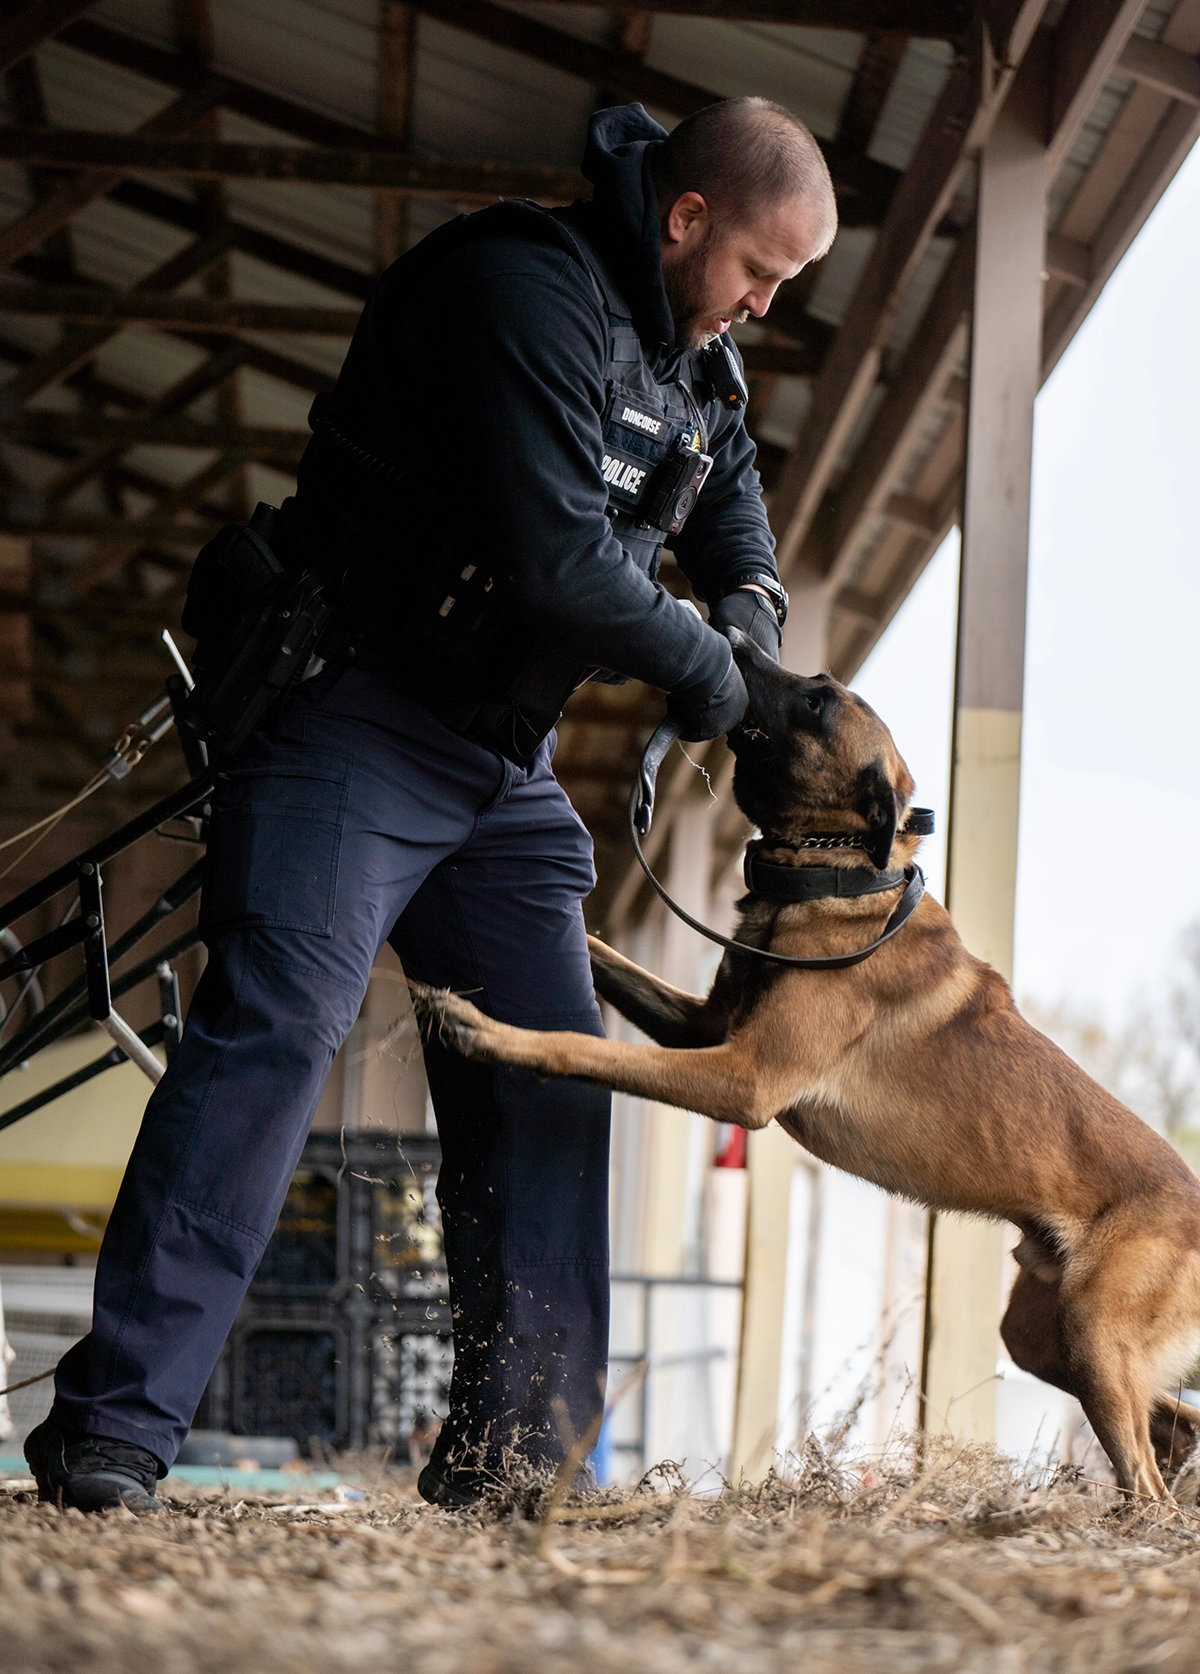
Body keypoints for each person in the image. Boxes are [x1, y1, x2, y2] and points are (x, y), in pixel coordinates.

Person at [26, 96, 837, 1514]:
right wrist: (719, 681)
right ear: (686, 216)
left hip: (500, 770)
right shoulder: (520, 291)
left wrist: (752, 628)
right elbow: (557, 566)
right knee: (276, 1029)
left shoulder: (694, 363)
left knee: (548, 1064)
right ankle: (113, 1436)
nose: (765, 307)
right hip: (358, 713)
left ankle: (517, 1459)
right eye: (759, 271)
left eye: (788, 288)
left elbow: (732, 520)